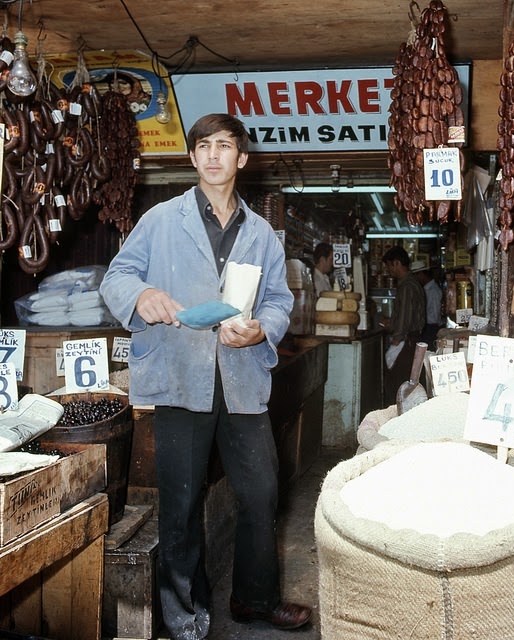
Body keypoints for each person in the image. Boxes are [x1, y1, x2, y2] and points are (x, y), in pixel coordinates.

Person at [99, 113, 311, 640]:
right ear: (193, 158)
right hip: (178, 376)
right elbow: (117, 277)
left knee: (261, 492)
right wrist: (141, 296)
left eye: (225, 146)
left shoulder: (262, 234)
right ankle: (184, 616)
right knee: (181, 502)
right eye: (204, 146)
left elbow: (281, 302)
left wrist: (263, 330)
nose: (214, 155)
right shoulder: (161, 220)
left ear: (241, 158)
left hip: (240, 381)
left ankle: (253, 600)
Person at [380, 245, 426, 406]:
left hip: (407, 342)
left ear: (397, 263)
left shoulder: (406, 286)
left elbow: (405, 316)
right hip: (411, 341)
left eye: (389, 266)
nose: (389, 270)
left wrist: (397, 338)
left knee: (396, 385)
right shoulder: (411, 283)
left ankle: (396, 424)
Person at [411, 261, 443, 351]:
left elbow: (436, 315)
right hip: (427, 327)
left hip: (431, 328)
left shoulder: (433, 290)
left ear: (421, 274)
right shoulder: (425, 289)